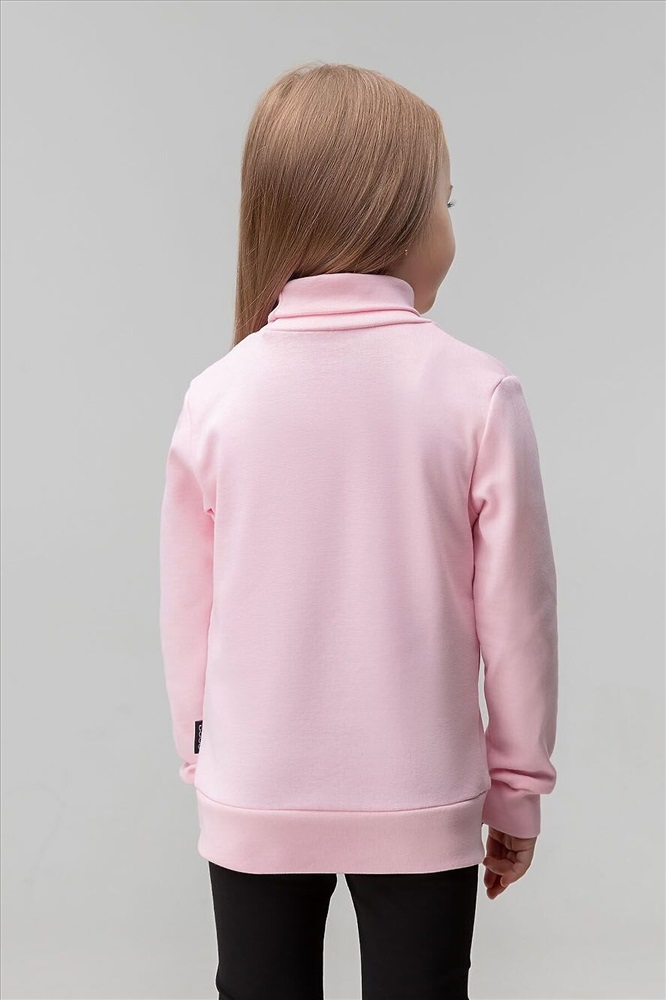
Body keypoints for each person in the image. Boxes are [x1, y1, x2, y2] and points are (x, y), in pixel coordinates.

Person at [159, 61, 559, 1000]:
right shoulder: (476, 393)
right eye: (446, 202)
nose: (452, 228)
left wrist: (207, 758)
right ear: (394, 219)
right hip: (423, 790)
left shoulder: (218, 397)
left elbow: (188, 612)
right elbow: (520, 619)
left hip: (254, 786)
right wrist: (515, 791)